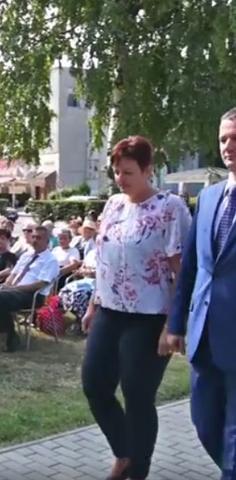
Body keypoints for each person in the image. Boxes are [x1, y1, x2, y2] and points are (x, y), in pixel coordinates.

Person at [80, 135, 191, 480]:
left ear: (148, 170)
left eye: (128, 172)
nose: (121, 179)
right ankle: (124, 453)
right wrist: (94, 305)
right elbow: (106, 259)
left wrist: (173, 325)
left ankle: (137, 471)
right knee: (95, 386)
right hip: (109, 311)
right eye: (116, 171)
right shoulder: (113, 204)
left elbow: (181, 273)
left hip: (148, 318)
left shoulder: (170, 208)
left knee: (137, 396)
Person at [168, 107, 236, 480]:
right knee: (206, 424)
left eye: (235, 138)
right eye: (223, 138)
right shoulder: (209, 199)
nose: (228, 146)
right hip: (204, 335)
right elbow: (192, 267)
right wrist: (176, 324)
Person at [0, 225, 59, 352]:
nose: (35, 240)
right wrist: (8, 284)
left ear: (47, 241)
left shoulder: (51, 260)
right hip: (13, 291)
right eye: (33, 237)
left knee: (1, 297)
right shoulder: (26, 255)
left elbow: (41, 284)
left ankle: (9, 337)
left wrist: (16, 288)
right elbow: (13, 273)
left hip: (33, 295)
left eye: (39, 238)